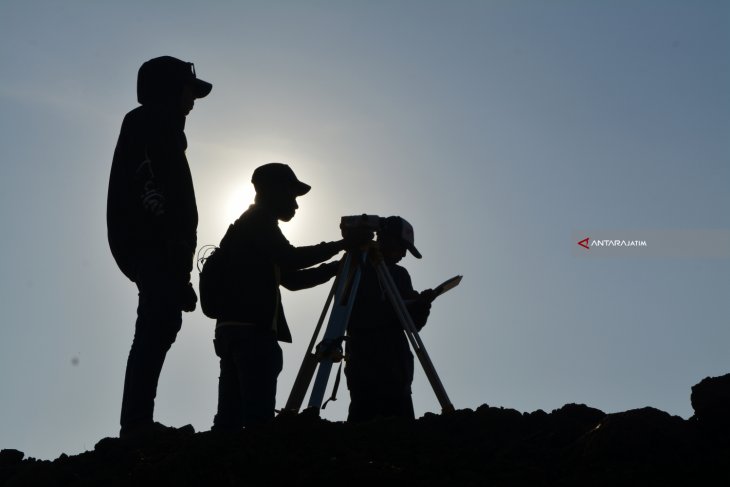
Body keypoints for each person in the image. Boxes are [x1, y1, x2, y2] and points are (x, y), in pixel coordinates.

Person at [210, 163, 370, 430]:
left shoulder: (249, 228)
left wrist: (336, 267)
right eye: (291, 195)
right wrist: (343, 245)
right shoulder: (259, 221)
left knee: (229, 420)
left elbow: (291, 280)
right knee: (256, 421)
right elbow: (291, 259)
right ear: (272, 190)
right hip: (252, 334)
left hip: (234, 332)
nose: (295, 206)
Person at [107, 56, 212, 437]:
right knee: (155, 326)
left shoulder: (158, 126)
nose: (193, 100)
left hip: (160, 249)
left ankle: (137, 422)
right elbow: (152, 188)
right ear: (170, 88)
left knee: (160, 324)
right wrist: (171, 249)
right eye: (189, 90)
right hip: (155, 247)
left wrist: (179, 267)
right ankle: (136, 424)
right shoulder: (150, 125)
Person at [344, 216, 434, 422]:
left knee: (401, 437)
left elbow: (412, 326)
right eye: (401, 247)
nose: (403, 254)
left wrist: (422, 306)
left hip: (397, 373)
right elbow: (351, 314)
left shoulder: (400, 275)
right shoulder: (358, 266)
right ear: (384, 239)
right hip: (365, 368)